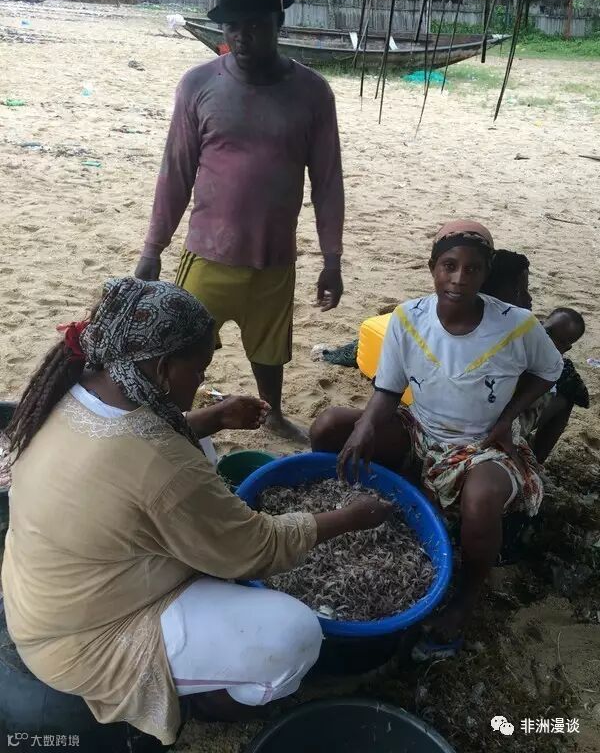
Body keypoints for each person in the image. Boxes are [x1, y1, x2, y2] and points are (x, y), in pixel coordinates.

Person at [1, 277, 391, 745]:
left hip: (49, 594)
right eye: (200, 368)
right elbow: (255, 548)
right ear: (163, 367)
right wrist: (351, 517)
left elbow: (137, 452)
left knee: (196, 445)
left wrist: (212, 418)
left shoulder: (79, 385)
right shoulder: (160, 464)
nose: (204, 379)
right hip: (87, 638)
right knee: (295, 635)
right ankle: (213, 704)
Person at [310, 221, 564, 651]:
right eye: (449, 266)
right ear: (432, 268)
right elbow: (387, 390)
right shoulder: (409, 318)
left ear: (485, 273)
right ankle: (390, 501)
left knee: (481, 500)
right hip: (420, 429)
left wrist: (508, 418)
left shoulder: (517, 326)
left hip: (482, 445)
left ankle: (467, 596)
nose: (459, 278)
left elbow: (550, 370)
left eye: (473, 268)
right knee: (329, 426)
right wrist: (365, 426)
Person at [135, 0, 345, 444]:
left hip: (275, 259)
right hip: (209, 254)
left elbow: (328, 181)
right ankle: (169, 417)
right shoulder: (198, 85)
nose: (243, 35)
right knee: (183, 344)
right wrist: (152, 249)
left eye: (256, 24)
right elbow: (175, 172)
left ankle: (273, 414)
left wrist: (331, 259)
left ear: (279, 22)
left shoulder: (313, 93)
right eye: (233, 24)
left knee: (270, 349)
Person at [481, 252, 588, 463]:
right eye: (520, 291)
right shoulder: (518, 330)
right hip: (489, 426)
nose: (529, 298)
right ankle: (534, 464)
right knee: (565, 397)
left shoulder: (462, 314)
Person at [521, 307, 589, 463]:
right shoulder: (521, 343)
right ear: (540, 325)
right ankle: (535, 460)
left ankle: (535, 460)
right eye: (548, 332)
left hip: (508, 416)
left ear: (566, 348)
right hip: (498, 420)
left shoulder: (554, 366)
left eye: (560, 342)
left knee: (567, 392)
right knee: (566, 395)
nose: (549, 342)